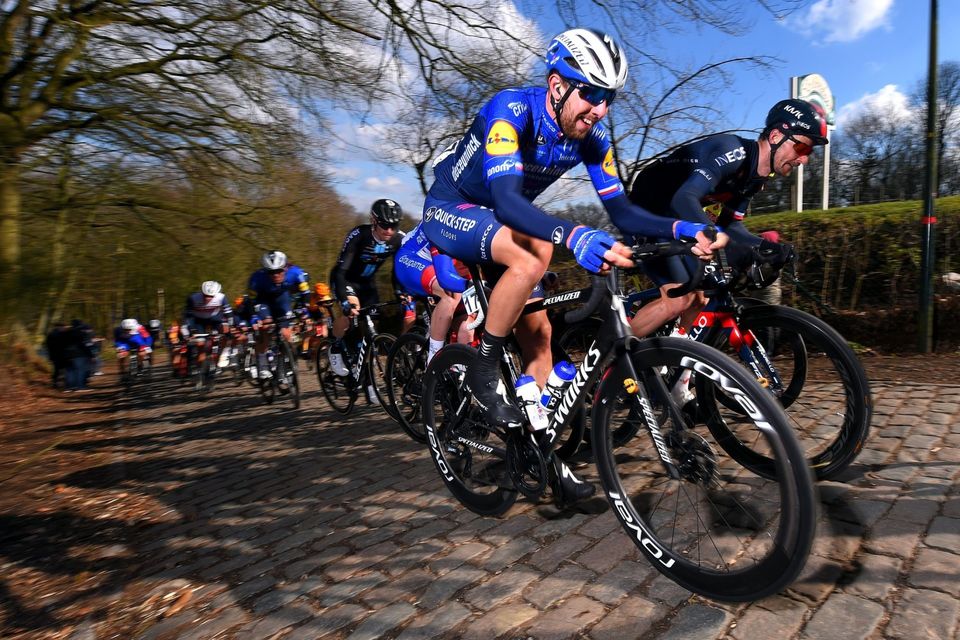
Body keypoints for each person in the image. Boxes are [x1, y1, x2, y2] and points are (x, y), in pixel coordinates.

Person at [420, 28, 718, 504]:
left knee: (541, 346)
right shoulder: (510, 111)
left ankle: (540, 458)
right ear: (557, 85)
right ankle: (482, 366)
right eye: (592, 93)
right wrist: (573, 234)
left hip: (499, 223)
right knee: (534, 251)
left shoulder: (592, 137)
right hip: (451, 210)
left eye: (609, 98)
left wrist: (682, 231)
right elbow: (507, 202)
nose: (600, 109)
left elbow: (621, 211)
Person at [626, 98, 828, 337]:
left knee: (700, 299)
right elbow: (684, 198)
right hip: (647, 210)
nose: (804, 159)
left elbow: (730, 224)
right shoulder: (733, 152)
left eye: (809, 152)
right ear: (775, 137)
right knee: (678, 301)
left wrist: (764, 247)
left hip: (675, 219)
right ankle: (610, 357)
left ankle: (676, 364)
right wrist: (718, 238)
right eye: (802, 148)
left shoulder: (755, 178)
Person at [328, 199, 406, 381]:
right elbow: (341, 271)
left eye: (393, 226)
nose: (389, 231)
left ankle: (364, 368)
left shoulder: (398, 240)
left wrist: (400, 292)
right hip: (345, 278)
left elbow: (398, 271)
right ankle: (335, 346)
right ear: (374, 220)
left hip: (367, 283)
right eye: (384, 225)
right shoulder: (359, 235)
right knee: (351, 314)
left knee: (372, 324)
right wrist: (346, 303)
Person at [394, 221, 476, 364]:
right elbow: (446, 276)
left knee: (468, 322)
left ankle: (460, 369)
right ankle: (434, 359)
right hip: (414, 259)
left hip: (449, 262)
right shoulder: (448, 221)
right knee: (451, 294)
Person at [247, 250, 310, 379]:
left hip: (282, 300)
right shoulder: (257, 278)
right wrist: (254, 317)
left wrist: (304, 310)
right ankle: (263, 365)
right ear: (266, 271)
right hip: (264, 301)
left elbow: (306, 294)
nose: (276, 275)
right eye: (271, 272)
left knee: (286, 335)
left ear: (285, 268)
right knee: (265, 327)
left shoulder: (296, 273)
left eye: (279, 271)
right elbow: (251, 301)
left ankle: (281, 366)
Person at [182, 280, 234, 374]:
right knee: (200, 345)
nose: (208, 298)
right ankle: (200, 373)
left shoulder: (221, 297)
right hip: (199, 321)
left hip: (215, 319)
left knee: (226, 329)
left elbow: (229, 314)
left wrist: (230, 326)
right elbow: (187, 317)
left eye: (211, 296)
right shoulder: (193, 298)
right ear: (202, 292)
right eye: (205, 295)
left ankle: (224, 352)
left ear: (216, 294)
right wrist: (189, 330)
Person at [63, 320, 94, 392]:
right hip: (79, 353)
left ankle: (69, 387)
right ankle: (80, 387)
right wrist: (91, 355)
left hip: (67, 354)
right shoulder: (81, 333)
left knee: (70, 370)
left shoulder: (65, 333)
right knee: (80, 370)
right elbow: (84, 345)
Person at [45, 321, 68, 389]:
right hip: (62, 354)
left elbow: (48, 345)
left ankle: (55, 382)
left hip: (53, 354)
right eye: (63, 327)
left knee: (56, 369)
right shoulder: (62, 334)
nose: (64, 328)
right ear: (60, 327)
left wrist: (50, 355)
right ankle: (62, 383)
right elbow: (65, 344)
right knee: (63, 369)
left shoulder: (50, 334)